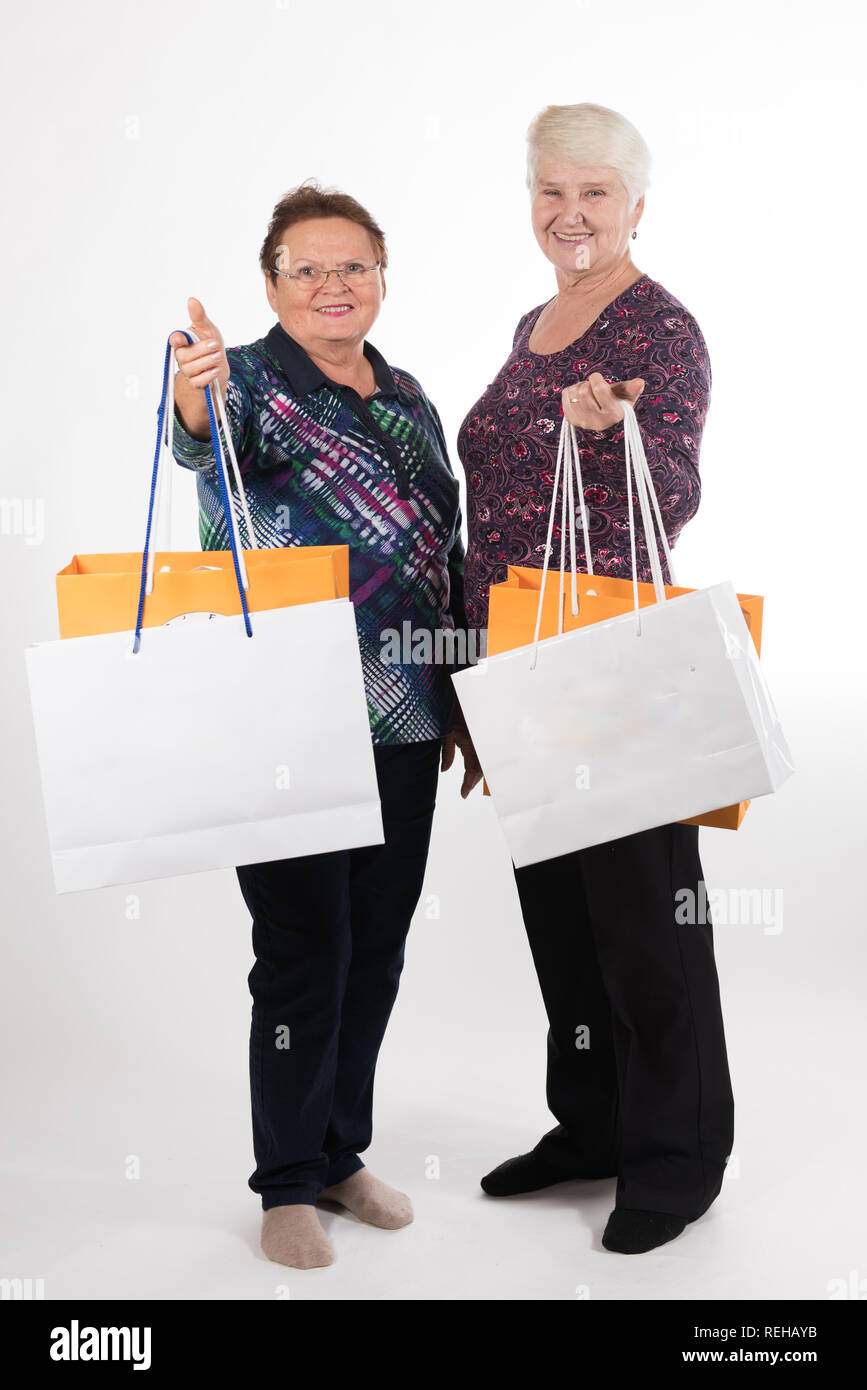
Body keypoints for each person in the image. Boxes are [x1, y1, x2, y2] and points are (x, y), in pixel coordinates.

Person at [170, 181, 481, 1270]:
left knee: (378, 952)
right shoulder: (246, 382)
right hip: (287, 717)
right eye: (308, 268)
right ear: (273, 285)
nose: (333, 285)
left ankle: (342, 1152)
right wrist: (195, 394)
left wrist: (462, 695)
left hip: (404, 718)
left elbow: (445, 554)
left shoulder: (408, 397)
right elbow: (202, 446)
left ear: (382, 279)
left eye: (353, 265)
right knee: (304, 952)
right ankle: (287, 1182)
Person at [457, 103, 734, 1254]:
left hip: (613, 670)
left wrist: (609, 428)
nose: (568, 214)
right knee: (564, 925)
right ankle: (594, 1124)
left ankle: (678, 1157)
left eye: (595, 194)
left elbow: (670, 489)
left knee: (646, 928)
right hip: (517, 662)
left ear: (635, 206)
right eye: (549, 191)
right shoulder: (534, 321)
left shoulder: (659, 330)